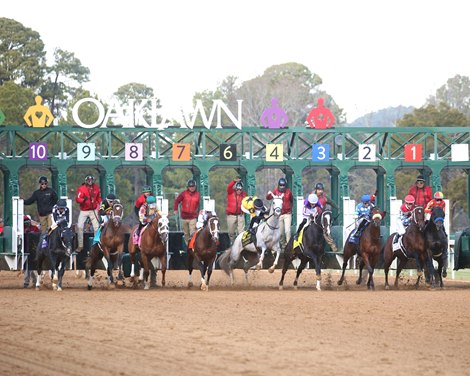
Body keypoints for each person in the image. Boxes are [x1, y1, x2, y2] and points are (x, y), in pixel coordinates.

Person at [75, 175, 101, 252]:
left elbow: (98, 198)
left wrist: (99, 204)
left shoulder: (96, 188)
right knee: (80, 226)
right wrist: (83, 200)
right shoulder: (81, 189)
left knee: (97, 227)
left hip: (93, 209)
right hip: (84, 210)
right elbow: (77, 199)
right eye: (88, 180)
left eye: (91, 180)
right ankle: (80, 245)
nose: (90, 182)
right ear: (86, 181)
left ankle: (96, 244)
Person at [266, 177, 293, 251]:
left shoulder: (288, 192)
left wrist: (290, 209)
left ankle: (289, 246)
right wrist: (268, 194)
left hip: (287, 214)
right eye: (281, 185)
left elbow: (291, 200)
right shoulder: (276, 191)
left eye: (283, 185)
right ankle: (283, 246)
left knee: (287, 231)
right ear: (278, 185)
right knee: (281, 233)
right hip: (279, 215)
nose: (282, 187)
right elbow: (268, 198)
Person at [173, 179, 200, 247]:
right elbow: (177, 201)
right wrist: (175, 209)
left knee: (193, 233)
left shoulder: (197, 195)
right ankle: (188, 247)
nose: (192, 188)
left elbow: (200, 205)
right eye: (190, 187)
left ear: (195, 187)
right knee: (186, 234)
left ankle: (192, 247)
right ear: (188, 187)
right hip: (184, 217)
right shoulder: (184, 193)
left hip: (193, 217)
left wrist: (200, 213)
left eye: (193, 186)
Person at [313, 182, 338, 252]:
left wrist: (337, 210)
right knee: (306, 226)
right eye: (319, 190)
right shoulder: (312, 197)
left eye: (321, 190)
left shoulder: (325, 197)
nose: (320, 191)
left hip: (321, 217)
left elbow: (333, 204)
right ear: (316, 190)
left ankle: (333, 247)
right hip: (313, 216)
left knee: (326, 231)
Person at [226, 178, 246, 244]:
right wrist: (233, 181)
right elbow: (229, 187)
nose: (239, 191)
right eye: (237, 189)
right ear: (235, 188)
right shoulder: (230, 192)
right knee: (231, 232)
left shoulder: (244, 194)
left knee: (241, 232)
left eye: (240, 189)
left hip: (240, 215)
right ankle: (233, 243)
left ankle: (240, 244)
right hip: (231, 215)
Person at [22, 215, 40, 288]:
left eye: (28, 222)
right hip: (25, 250)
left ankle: (34, 281)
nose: (27, 224)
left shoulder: (35, 228)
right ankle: (27, 282)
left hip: (33, 250)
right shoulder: (21, 229)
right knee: (27, 267)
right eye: (25, 222)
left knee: (32, 267)